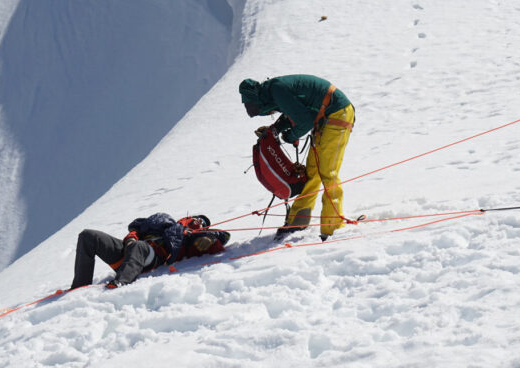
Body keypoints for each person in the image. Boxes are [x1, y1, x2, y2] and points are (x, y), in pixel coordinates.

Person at [239, 75, 355, 239]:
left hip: (337, 114)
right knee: (313, 172)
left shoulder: (277, 90)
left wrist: (289, 136)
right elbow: (294, 112)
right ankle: (298, 219)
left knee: (327, 172)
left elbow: (304, 121)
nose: (270, 112)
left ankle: (333, 225)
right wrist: (275, 129)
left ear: (259, 100)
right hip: (325, 117)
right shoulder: (274, 90)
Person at [70, 213, 229, 290]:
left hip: (151, 259)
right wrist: (131, 238)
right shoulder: (165, 225)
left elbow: (222, 236)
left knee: (138, 246)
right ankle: (80, 284)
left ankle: (122, 281)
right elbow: (135, 231)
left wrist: (210, 239)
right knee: (88, 236)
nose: (198, 221)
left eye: (202, 222)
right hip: (127, 254)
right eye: (198, 218)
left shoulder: (191, 237)